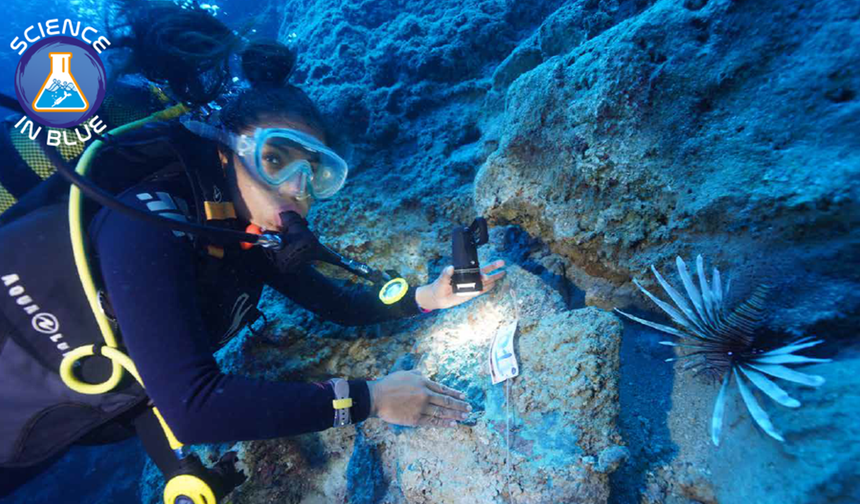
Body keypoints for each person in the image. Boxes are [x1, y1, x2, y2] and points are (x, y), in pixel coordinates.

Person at [0, 1, 505, 500]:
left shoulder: (235, 232)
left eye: (315, 173)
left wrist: (428, 296)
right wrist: (370, 398)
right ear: (225, 149)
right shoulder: (148, 222)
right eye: (275, 158)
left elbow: (338, 304)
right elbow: (194, 408)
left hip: (34, 433)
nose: (295, 187)